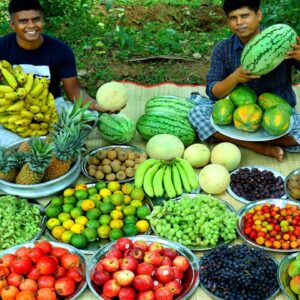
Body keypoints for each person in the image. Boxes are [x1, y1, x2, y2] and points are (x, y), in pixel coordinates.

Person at [189, 0, 300, 161]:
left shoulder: (282, 41)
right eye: (233, 18)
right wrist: (235, 78)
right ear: (227, 21)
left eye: (245, 16)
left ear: (259, 15)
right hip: (239, 115)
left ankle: (241, 140)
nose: (239, 22)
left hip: (277, 113)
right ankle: (258, 146)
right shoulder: (223, 49)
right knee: (196, 113)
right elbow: (213, 93)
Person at [0, 0, 106, 113]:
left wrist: (97, 106)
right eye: (23, 21)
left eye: (36, 19)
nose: (31, 25)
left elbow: (74, 91)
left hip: (52, 105)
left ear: (42, 20)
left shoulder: (60, 50)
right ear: (12, 25)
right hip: (10, 105)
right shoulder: (2, 46)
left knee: (90, 117)